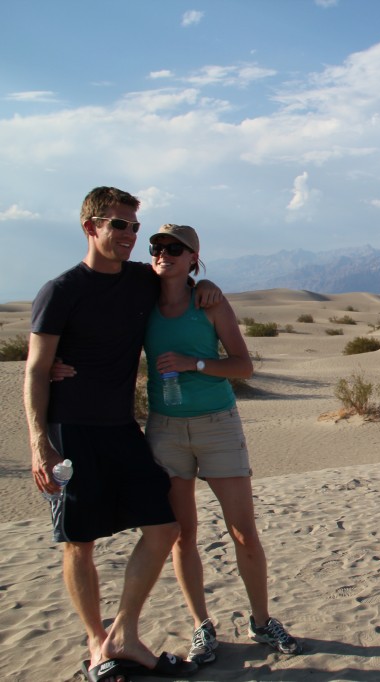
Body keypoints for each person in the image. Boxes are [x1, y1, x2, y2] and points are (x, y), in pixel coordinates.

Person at [25, 187, 221, 682]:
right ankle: (98, 644)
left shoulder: (140, 280)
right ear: (90, 227)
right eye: (119, 224)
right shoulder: (61, 290)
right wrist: (39, 443)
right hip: (71, 431)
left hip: (122, 428)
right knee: (80, 541)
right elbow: (36, 370)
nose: (131, 235)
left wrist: (206, 285)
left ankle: (125, 634)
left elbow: (178, 277)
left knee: (164, 527)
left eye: (134, 226)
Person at [143, 224, 301, 663]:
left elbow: (243, 365)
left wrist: (193, 363)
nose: (163, 253)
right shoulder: (140, 301)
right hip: (165, 430)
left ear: (193, 258)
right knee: (182, 534)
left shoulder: (209, 302)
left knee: (243, 531)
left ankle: (261, 621)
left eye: (175, 249)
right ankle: (201, 626)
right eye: (156, 247)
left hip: (218, 426)